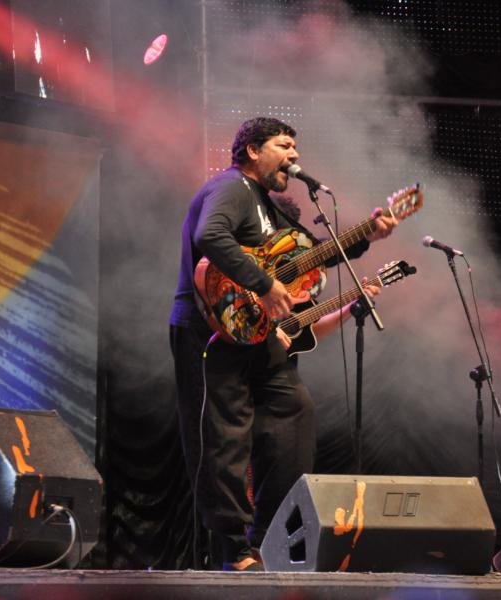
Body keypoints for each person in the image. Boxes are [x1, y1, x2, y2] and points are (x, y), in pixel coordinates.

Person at [170, 117, 396, 571]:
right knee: (225, 436)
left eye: (295, 147)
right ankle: (233, 548)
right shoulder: (231, 187)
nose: (294, 155)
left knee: (293, 414)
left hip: (256, 330)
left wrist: (365, 236)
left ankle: (266, 536)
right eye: (284, 145)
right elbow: (210, 235)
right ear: (253, 150)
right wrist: (265, 285)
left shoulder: (268, 207)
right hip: (212, 326)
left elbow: (305, 256)